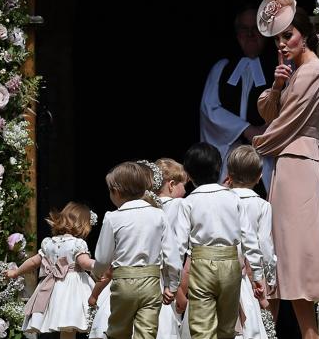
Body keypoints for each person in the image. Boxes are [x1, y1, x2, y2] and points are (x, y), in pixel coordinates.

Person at [252, 0, 319, 338]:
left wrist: (255, 148)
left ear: (305, 34)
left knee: (294, 258)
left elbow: (286, 124)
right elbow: (268, 111)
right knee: (282, 257)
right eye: (278, 39)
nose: (282, 44)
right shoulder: (295, 71)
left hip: (299, 164)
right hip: (289, 166)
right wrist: (278, 83)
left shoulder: (314, 69)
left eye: (288, 35)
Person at [175, 142, 264, 339]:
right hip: (231, 265)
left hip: (202, 265)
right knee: (227, 327)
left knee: (202, 326)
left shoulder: (188, 202)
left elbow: (178, 246)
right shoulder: (233, 198)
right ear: (219, 168)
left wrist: (172, 281)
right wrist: (257, 274)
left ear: (188, 175)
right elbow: (250, 239)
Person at [92, 161, 182, 339]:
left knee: (118, 329)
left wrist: (97, 272)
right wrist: (171, 285)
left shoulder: (113, 218)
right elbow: (172, 255)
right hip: (151, 283)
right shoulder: (158, 215)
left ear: (116, 191)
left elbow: (103, 256)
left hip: (124, 283)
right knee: (147, 332)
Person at [199, 3, 277, 193]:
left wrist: (269, 129)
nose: (250, 35)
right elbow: (210, 109)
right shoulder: (222, 68)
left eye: (255, 29)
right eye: (244, 29)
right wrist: (246, 129)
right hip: (231, 156)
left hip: (266, 157)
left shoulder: (277, 69)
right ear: (237, 34)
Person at [5, 201, 98, 339]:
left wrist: (16, 272)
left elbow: (32, 262)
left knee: (61, 322)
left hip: (52, 287)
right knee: (70, 321)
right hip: (72, 288)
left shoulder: (48, 243)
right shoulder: (78, 244)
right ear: (83, 224)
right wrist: (100, 265)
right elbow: (84, 263)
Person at [225, 145, 277, 339]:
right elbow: (264, 243)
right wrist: (269, 276)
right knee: (250, 327)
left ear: (229, 173)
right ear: (259, 176)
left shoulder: (222, 199)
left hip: (219, 269)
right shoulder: (262, 205)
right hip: (247, 276)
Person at [154, 158, 189, 339]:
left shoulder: (148, 207)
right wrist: (180, 291)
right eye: (183, 185)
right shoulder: (179, 205)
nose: (185, 191)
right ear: (171, 184)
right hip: (169, 277)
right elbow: (177, 249)